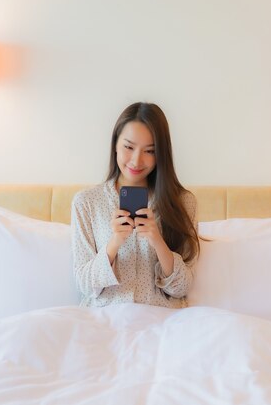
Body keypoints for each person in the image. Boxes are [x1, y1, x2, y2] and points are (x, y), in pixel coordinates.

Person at [71, 102, 199, 308]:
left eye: (150, 151)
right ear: (115, 144)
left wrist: (157, 240)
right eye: (129, 147)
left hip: (163, 322)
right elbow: (85, 285)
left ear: (161, 154)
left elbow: (182, 287)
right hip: (107, 321)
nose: (137, 160)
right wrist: (114, 242)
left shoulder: (183, 202)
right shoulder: (87, 203)